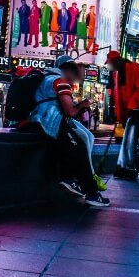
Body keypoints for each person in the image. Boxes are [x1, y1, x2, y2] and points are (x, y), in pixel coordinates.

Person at [23, 60, 109, 207]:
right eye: (74, 73)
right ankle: (91, 194)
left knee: (74, 145)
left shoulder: (46, 78)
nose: (74, 78)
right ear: (67, 70)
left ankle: (69, 180)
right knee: (80, 147)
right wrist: (83, 104)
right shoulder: (60, 82)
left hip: (36, 121)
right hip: (50, 124)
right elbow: (70, 112)